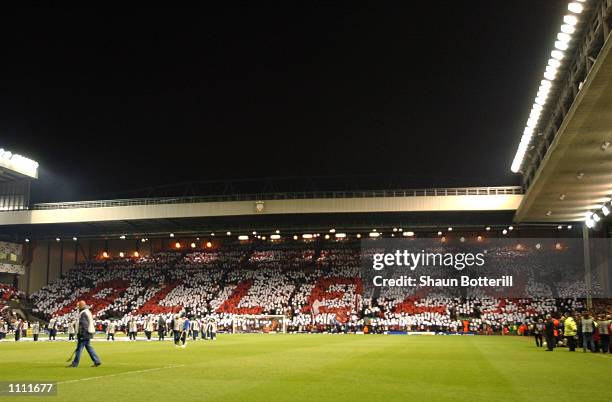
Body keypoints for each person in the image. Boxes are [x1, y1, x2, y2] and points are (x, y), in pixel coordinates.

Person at [68, 301, 101, 368]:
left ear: (81, 306)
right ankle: (97, 361)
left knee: (79, 349)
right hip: (88, 333)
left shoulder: (83, 313)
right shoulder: (87, 312)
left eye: (78, 306)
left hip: (84, 334)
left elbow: (84, 325)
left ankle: (75, 364)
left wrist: (82, 334)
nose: (78, 308)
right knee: (89, 347)